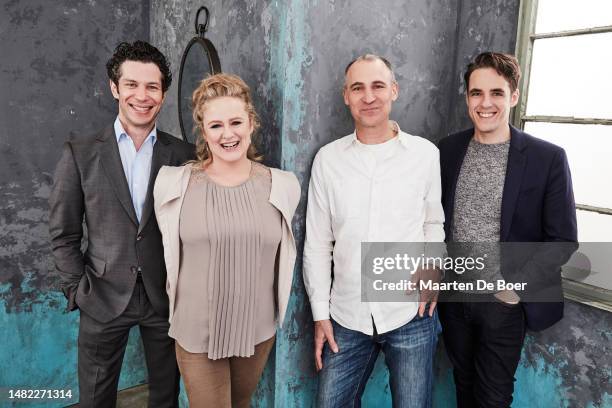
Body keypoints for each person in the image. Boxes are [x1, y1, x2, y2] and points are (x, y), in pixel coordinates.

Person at [49, 41, 195, 407]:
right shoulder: (80, 153)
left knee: (165, 397)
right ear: (115, 88)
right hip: (101, 295)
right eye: (131, 84)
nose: (141, 96)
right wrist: (76, 290)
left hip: (166, 299)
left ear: (162, 93)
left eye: (152, 86)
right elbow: (64, 234)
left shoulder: (183, 155)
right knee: (95, 399)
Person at [303, 54, 445, 408]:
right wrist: (320, 313)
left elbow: (433, 222)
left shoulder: (425, 155)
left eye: (378, 86)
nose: (369, 97)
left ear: (393, 91)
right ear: (346, 96)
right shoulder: (328, 159)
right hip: (347, 316)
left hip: (411, 312)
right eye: (358, 88)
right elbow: (318, 242)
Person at [437, 52, 577, 407]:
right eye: (476, 93)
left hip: (503, 304)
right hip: (454, 299)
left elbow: (562, 240)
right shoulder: (447, 150)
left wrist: (512, 290)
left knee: (493, 397)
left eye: (496, 93)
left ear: (513, 96)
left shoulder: (547, 158)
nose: (485, 103)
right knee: (463, 387)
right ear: (467, 97)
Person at [153, 73, 300, 408]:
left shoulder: (283, 186)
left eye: (236, 122)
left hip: (257, 330)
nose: (228, 133)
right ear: (204, 132)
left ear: (251, 124)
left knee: (240, 404)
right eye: (216, 125)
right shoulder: (174, 183)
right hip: (195, 332)